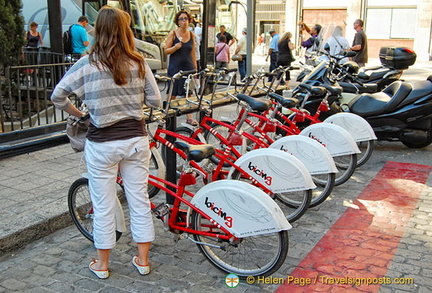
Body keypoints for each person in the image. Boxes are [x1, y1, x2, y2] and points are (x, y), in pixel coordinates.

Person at [50, 6, 161, 279]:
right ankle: (143, 260)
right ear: (125, 32)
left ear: (97, 30)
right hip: (135, 139)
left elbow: (57, 96)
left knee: (103, 207)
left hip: (102, 144)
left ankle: (102, 265)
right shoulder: (138, 62)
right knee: (139, 200)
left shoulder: (86, 65)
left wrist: (81, 113)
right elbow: (156, 101)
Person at [164, 10, 198, 126]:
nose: (184, 21)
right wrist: (175, 47)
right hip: (175, 67)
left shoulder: (191, 35)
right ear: (178, 22)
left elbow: (193, 53)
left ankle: (189, 117)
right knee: (173, 92)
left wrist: (195, 69)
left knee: (188, 92)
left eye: (186, 19)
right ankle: (167, 113)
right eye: (182, 19)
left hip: (188, 66)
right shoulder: (173, 33)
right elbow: (166, 50)